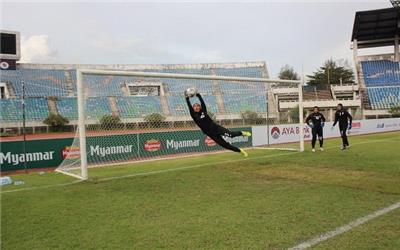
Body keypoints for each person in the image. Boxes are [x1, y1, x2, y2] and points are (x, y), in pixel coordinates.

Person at [185, 91, 251, 157]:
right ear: (193, 108)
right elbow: (189, 106)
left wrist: (198, 95)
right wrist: (187, 98)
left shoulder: (203, 111)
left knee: (231, 135)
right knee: (225, 145)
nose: (196, 107)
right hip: (211, 134)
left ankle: (243, 133)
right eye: (194, 106)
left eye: (198, 106)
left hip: (216, 128)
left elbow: (202, 103)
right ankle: (240, 151)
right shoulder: (193, 115)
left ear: (200, 107)